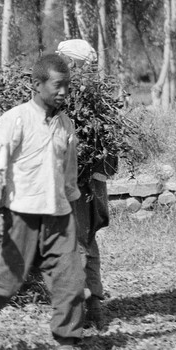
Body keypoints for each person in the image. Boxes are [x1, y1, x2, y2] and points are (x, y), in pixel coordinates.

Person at [0, 52, 85, 350]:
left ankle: (67, 341)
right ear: (36, 85)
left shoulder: (66, 126)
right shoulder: (14, 120)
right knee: (6, 282)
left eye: (67, 85)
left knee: (71, 279)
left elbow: (69, 177)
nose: (64, 91)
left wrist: (75, 217)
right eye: (57, 85)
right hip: (21, 215)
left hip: (59, 216)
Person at [55, 38, 117, 331]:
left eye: (67, 61)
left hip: (81, 185)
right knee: (85, 241)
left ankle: (83, 311)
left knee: (79, 242)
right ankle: (93, 307)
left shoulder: (80, 101)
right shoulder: (91, 99)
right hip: (87, 182)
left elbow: (109, 154)